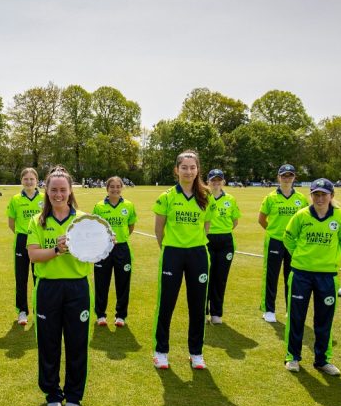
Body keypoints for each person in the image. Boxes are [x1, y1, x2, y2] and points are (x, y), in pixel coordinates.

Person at [27, 167, 93, 406]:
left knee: (77, 343)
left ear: (70, 191)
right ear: (46, 190)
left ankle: (74, 395)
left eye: (63, 189)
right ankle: (52, 393)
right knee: (49, 343)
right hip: (48, 289)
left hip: (77, 288)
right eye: (53, 189)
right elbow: (34, 256)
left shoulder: (84, 220)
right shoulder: (37, 221)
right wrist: (57, 250)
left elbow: (94, 253)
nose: (58, 194)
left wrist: (103, 243)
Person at [152, 150, 215, 371]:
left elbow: (205, 228)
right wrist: (169, 248)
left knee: (197, 306)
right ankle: (161, 351)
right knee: (166, 304)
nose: (189, 171)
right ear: (176, 170)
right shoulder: (167, 197)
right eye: (184, 167)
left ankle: (196, 353)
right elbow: (159, 229)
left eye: (193, 167)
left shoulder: (206, 196)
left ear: (198, 170)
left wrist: (193, 244)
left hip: (198, 254)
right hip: (172, 254)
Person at [283, 178, 341, 376]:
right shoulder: (301, 215)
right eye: (316, 194)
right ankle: (292, 357)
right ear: (311, 195)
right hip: (301, 273)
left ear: (332, 196)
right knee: (296, 317)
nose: (320, 198)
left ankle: (322, 360)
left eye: (324, 194)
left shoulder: (339, 217)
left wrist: (332, 257)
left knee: (324, 320)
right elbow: (288, 238)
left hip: (327, 275)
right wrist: (300, 256)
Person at [258, 163, 306, 323]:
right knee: (271, 276)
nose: (287, 178)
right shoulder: (270, 198)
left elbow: (304, 221)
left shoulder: (301, 199)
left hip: (293, 243)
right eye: (284, 176)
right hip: (275, 241)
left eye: (290, 176)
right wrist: (274, 231)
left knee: (292, 277)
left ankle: (290, 309)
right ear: (279, 177)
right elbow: (262, 219)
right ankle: (269, 309)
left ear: (294, 178)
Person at [91, 176, 137, 327]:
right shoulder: (99, 207)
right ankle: (100, 315)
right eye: (112, 187)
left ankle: (121, 316)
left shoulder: (129, 205)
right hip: (102, 249)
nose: (115, 189)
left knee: (123, 283)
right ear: (107, 189)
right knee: (101, 283)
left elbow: (130, 226)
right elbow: (95, 228)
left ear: (122, 188)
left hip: (122, 249)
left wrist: (120, 238)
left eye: (118, 186)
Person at [6, 168, 44, 325]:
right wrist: (25, 234)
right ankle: (22, 311)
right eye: (26, 179)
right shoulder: (15, 199)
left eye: (32, 179)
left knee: (39, 277)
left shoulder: (44, 198)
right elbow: (11, 223)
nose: (29, 182)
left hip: (39, 241)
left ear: (36, 181)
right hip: (22, 240)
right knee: (21, 278)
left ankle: (39, 310)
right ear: (21, 180)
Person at [205, 168, 241, 325]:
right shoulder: (203, 198)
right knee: (206, 277)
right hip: (206, 239)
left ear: (223, 182)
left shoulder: (230, 199)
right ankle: (203, 311)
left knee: (220, 278)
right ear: (208, 182)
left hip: (226, 242)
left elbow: (235, 221)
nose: (216, 183)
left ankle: (216, 313)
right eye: (213, 180)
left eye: (219, 180)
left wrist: (222, 231)